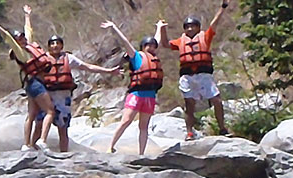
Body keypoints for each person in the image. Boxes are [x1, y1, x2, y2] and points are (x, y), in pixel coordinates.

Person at [0, 7, 56, 151]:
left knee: (32, 114)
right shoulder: (20, 52)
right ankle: (42, 140)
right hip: (35, 84)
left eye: (22, 37)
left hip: (31, 85)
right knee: (50, 111)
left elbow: (29, 30)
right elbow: (8, 37)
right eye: (19, 39)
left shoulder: (29, 46)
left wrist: (27, 15)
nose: (22, 39)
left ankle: (27, 145)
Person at [31, 34, 122, 152]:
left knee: (63, 128)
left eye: (58, 43)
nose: (55, 46)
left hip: (63, 96)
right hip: (47, 96)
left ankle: (64, 154)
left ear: (62, 46)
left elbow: (87, 67)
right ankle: (33, 150)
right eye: (52, 44)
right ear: (48, 47)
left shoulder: (68, 58)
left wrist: (108, 71)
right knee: (39, 124)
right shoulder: (43, 59)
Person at [160, 0, 232, 140]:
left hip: (204, 75)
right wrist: (162, 29)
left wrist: (222, 7)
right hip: (188, 77)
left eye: (193, 26)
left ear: (198, 27)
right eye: (187, 26)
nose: (190, 29)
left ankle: (222, 128)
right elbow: (164, 44)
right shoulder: (181, 41)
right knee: (190, 105)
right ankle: (189, 132)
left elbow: (214, 23)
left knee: (216, 100)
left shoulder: (205, 37)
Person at [103, 20, 167, 155]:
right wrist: (113, 27)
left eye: (153, 45)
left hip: (150, 96)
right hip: (136, 94)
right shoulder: (136, 56)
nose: (151, 47)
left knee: (143, 127)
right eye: (147, 45)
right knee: (126, 121)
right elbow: (125, 41)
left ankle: (141, 153)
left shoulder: (153, 56)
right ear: (143, 47)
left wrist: (159, 28)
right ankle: (110, 146)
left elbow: (157, 40)